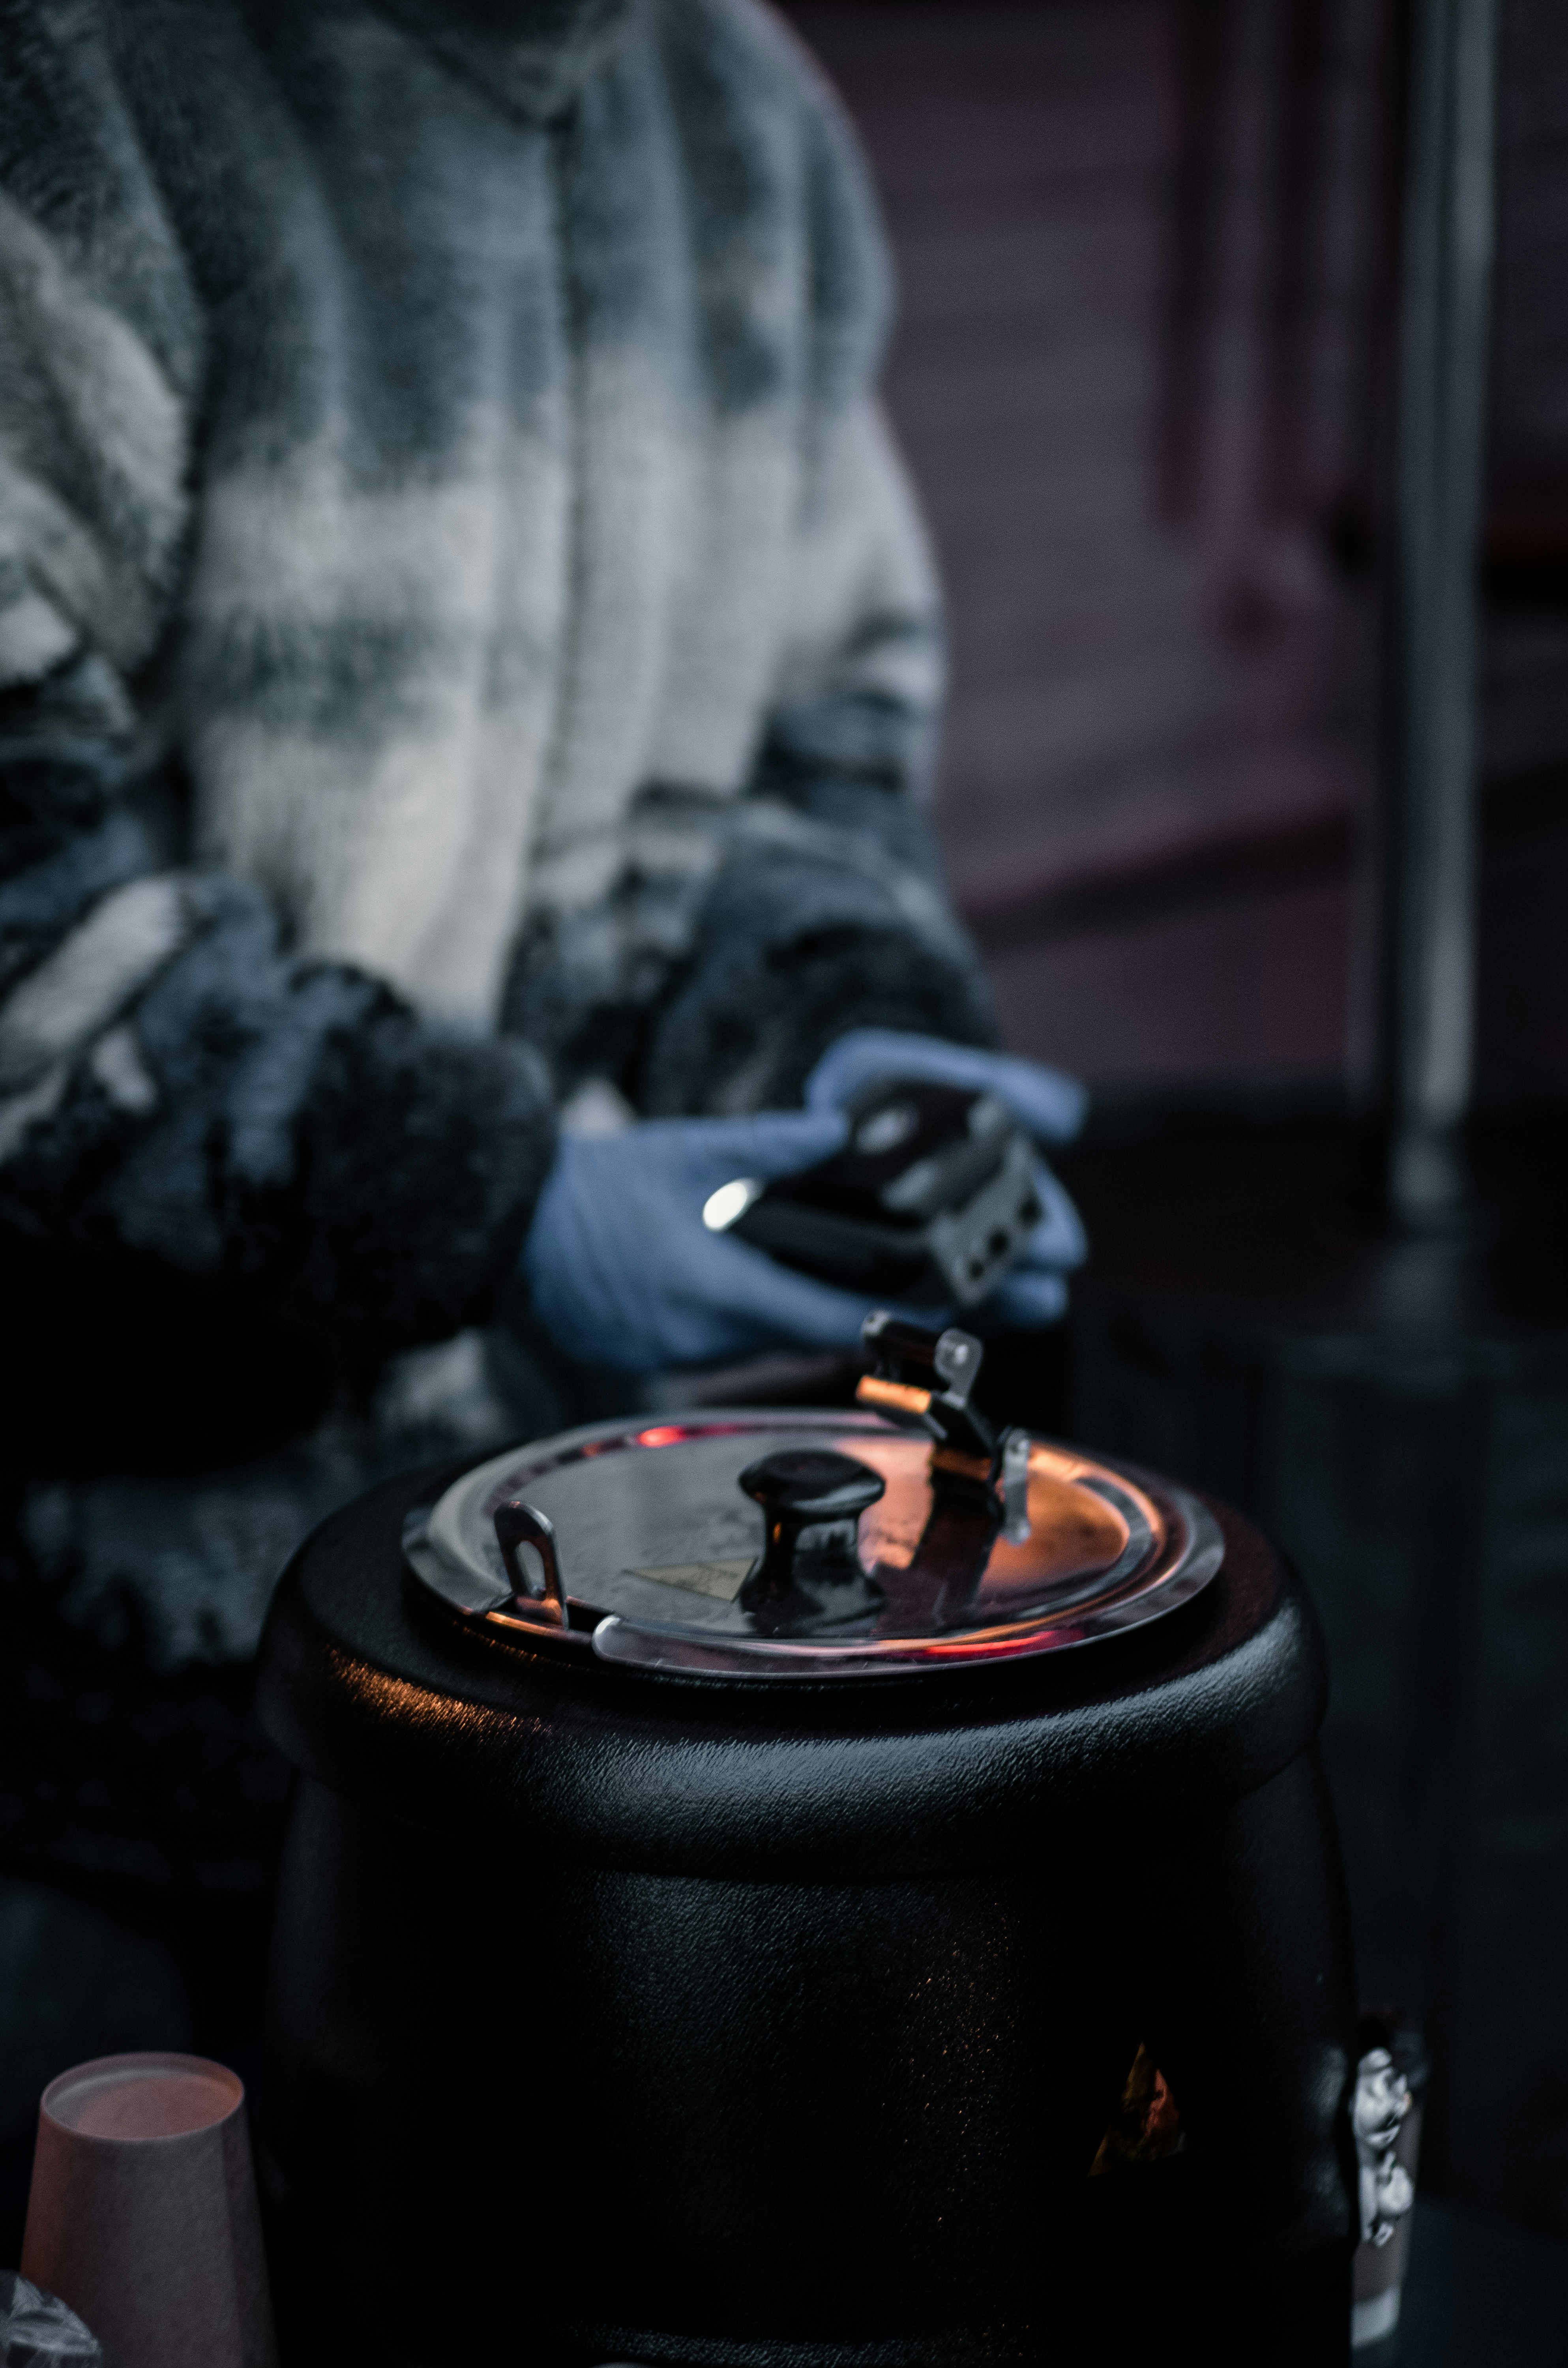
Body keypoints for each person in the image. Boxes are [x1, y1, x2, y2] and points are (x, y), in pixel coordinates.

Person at [0, 0, 1085, 1913]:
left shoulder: (745, 123)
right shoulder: (85, 79)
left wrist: (845, 1029)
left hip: (579, 1595)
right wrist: (469, 1196)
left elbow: (817, 739)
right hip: (91, 1609)